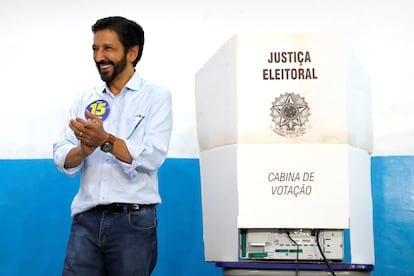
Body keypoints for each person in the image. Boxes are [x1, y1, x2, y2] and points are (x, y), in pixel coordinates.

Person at [53, 16, 173, 276]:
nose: (99, 57)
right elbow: (62, 154)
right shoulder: (85, 98)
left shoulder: (156, 97)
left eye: (108, 48)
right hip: (86, 220)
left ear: (132, 52)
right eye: (95, 49)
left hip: (133, 221)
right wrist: (83, 151)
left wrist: (105, 141)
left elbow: (152, 156)